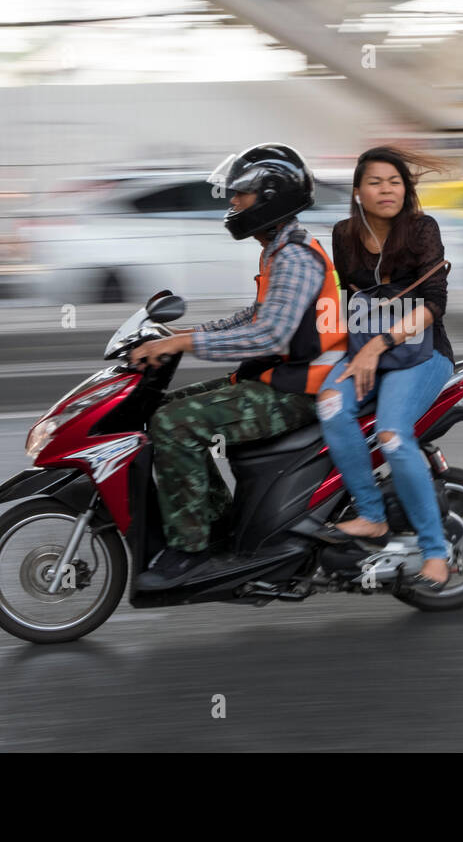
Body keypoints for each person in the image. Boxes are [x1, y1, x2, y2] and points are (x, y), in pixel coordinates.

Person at [128, 142, 346, 590]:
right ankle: (212, 522)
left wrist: (191, 342)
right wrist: (179, 337)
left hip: (302, 392)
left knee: (174, 423)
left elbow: (271, 335)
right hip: (280, 381)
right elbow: (254, 317)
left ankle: (191, 551)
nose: (232, 202)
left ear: (270, 196)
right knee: (160, 411)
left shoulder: (295, 256)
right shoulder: (278, 250)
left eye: (240, 194)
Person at [316, 146, 456, 590]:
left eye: (395, 181)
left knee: (394, 436)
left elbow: (434, 302)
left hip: (424, 352)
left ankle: (436, 551)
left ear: (406, 189)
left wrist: (379, 344)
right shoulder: (343, 234)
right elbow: (354, 297)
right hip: (368, 352)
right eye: (375, 182)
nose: (386, 189)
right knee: (331, 404)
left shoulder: (420, 230)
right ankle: (372, 515)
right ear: (358, 191)